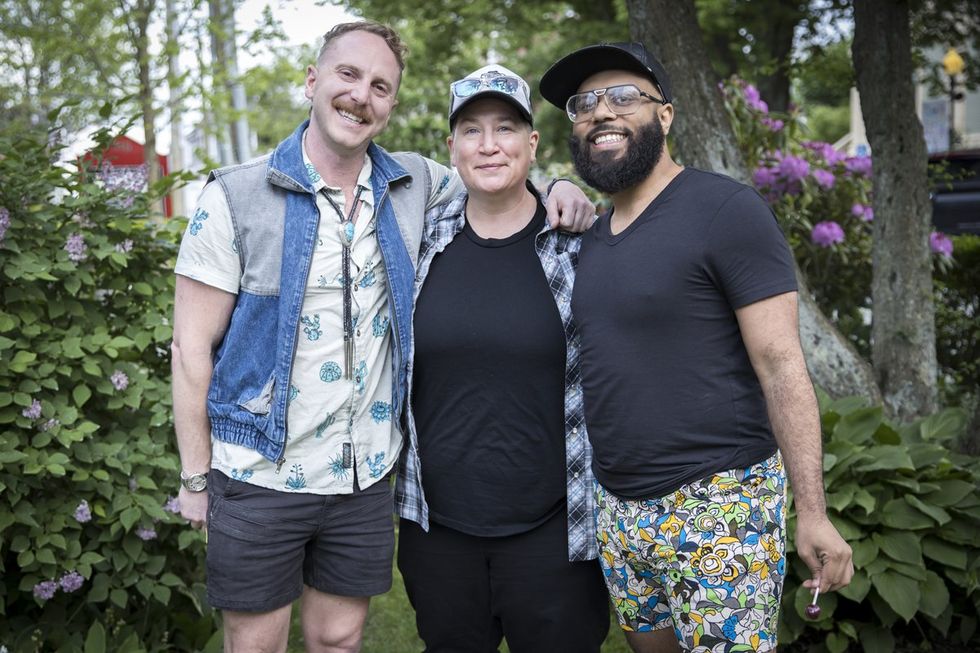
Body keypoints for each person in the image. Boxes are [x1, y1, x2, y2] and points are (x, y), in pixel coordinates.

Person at [171, 21, 592, 653]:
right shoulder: (234, 195)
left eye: (380, 86)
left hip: (362, 475)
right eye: (348, 75)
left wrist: (560, 185)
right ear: (313, 81)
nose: (360, 95)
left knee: (339, 638)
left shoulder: (412, 187)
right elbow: (189, 349)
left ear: (391, 106)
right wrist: (196, 478)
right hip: (261, 469)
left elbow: (502, 181)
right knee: (254, 644)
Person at [538, 42, 854, 652]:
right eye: (584, 104)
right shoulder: (593, 237)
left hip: (720, 505)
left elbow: (782, 366)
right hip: (620, 508)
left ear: (666, 115)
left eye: (624, 96)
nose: (600, 112)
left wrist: (812, 511)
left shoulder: (725, 210)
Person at [394, 64, 609, 653]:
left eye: (507, 128)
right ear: (452, 148)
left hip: (554, 532)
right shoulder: (416, 243)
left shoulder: (578, 245)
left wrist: (566, 186)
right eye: (471, 130)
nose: (489, 145)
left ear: (532, 143)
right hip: (438, 531)